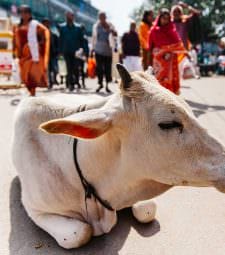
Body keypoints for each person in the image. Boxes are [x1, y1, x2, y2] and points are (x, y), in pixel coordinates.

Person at [148, 8, 186, 95]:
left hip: (170, 62)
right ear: (159, 18)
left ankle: (170, 101)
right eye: (163, 18)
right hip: (158, 62)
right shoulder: (153, 31)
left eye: (167, 19)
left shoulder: (172, 31)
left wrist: (168, 50)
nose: (165, 20)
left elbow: (179, 45)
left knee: (169, 82)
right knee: (159, 83)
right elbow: (150, 47)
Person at [14, 5, 50, 96]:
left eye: (26, 12)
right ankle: (30, 91)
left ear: (30, 14)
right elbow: (15, 40)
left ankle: (32, 93)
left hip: (32, 54)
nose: (24, 15)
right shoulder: (18, 26)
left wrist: (38, 44)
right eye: (22, 12)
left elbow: (45, 33)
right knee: (24, 75)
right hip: (22, 54)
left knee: (32, 75)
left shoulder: (35, 24)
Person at [92, 12, 117, 93]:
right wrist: (92, 48)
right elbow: (94, 38)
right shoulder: (96, 26)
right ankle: (100, 84)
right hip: (98, 50)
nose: (102, 18)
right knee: (99, 68)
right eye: (100, 17)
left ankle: (107, 85)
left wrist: (112, 31)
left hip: (108, 51)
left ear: (106, 17)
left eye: (103, 17)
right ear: (99, 18)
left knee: (107, 69)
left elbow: (115, 35)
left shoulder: (110, 25)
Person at [59, 11, 84, 91]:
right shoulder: (62, 27)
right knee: (69, 68)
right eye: (67, 16)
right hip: (66, 51)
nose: (69, 18)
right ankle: (70, 84)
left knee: (75, 68)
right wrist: (60, 51)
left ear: (73, 17)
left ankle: (76, 82)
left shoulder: (78, 27)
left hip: (76, 52)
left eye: (71, 16)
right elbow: (60, 40)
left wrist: (82, 50)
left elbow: (81, 40)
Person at [42, 18, 59, 89]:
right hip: (44, 54)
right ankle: (49, 82)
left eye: (47, 23)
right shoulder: (40, 33)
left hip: (52, 54)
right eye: (45, 23)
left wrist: (57, 52)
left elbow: (57, 43)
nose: (46, 24)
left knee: (54, 69)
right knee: (47, 69)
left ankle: (53, 80)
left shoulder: (53, 34)